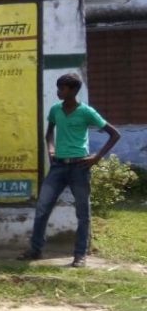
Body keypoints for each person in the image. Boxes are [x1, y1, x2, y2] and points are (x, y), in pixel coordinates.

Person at [18, 73, 121, 267]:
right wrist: (50, 148)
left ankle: (80, 255)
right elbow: (49, 133)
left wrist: (97, 157)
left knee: (83, 212)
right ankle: (35, 249)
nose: (59, 91)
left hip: (79, 167)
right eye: (58, 87)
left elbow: (115, 134)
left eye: (62, 88)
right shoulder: (55, 110)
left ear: (73, 90)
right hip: (58, 166)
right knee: (42, 208)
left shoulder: (87, 112)